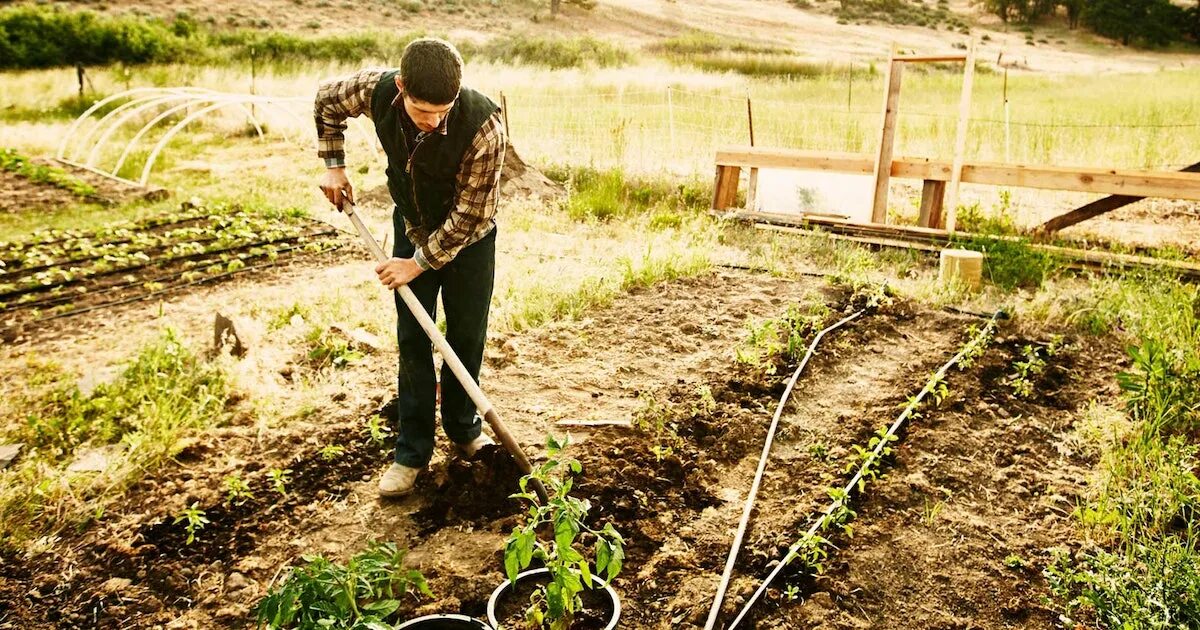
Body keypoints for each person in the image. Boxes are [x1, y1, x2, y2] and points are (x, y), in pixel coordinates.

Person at [314, 38, 507, 497]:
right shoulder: (377, 90)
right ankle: (412, 450)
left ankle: (463, 430)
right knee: (413, 339)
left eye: (444, 110)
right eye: (423, 111)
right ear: (402, 87)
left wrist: (416, 265)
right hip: (413, 225)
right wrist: (334, 165)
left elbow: (470, 217)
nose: (434, 121)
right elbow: (326, 100)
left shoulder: (485, 128)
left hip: (469, 242)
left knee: (465, 334)